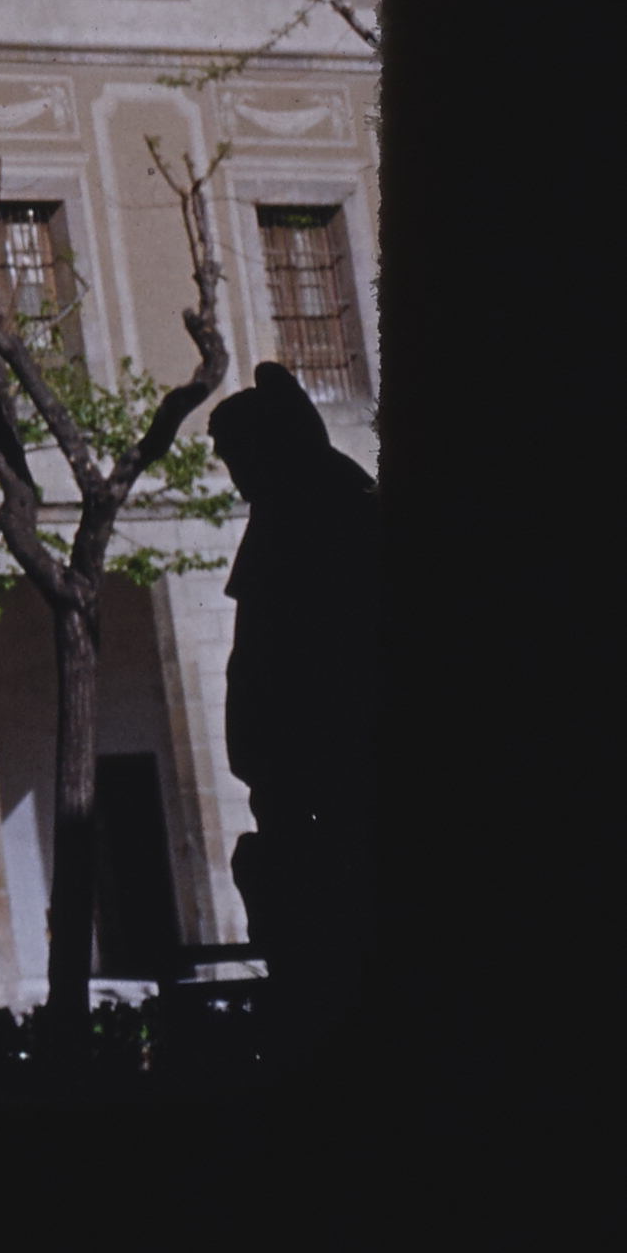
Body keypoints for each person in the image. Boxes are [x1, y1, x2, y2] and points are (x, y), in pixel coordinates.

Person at [205, 361, 383, 1067]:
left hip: (320, 774)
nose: (232, 477)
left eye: (235, 458)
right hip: (293, 775)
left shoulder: (315, 509)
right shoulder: (295, 506)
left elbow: (305, 655)